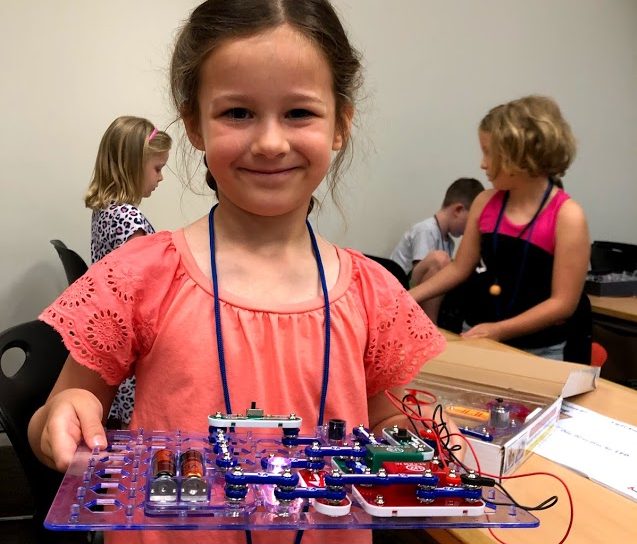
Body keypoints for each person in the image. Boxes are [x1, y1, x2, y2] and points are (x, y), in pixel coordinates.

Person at [28, 2, 459, 543]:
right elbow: (51, 418)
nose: (271, 142)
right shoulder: (140, 275)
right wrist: (67, 413)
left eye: (300, 113)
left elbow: (394, 426)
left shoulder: (376, 295)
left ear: (341, 124)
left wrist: (419, 443)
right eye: (238, 113)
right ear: (196, 126)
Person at [410, 95, 590, 360]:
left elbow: (562, 304)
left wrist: (499, 330)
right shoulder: (484, 202)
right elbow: (460, 268)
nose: (482, 164)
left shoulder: (568, 217)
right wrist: (407, 298)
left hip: (538, 352)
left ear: (520, 156)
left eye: (488, 153)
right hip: (478, 337)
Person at [85, 115, 172, 427]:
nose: (161, 178)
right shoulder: (129, 220)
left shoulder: (105, 209)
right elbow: (145, 286)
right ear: (133, 166)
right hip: (129, 339)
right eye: (157, 168)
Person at [390, 177, 484, 322]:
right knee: (440, 260)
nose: (469, 230)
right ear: (458, 210)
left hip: (415, 290)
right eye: (470, 221)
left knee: (447, 263)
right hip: (400, 288)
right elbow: (424, 275)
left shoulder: (450, 243)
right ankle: (429, 323)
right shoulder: (426, 230)